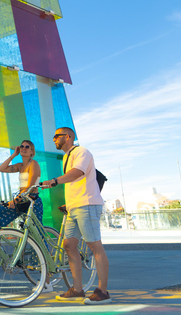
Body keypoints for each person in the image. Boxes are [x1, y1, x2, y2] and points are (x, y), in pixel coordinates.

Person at [40, 127, 111, 305]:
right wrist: (68, 203)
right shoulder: (66, 156)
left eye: (57, 136)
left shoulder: (81, 152)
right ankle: (77, 289)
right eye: (54, 136)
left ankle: (102, 292)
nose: (54, 139)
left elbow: (77, 173)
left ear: (68, 137)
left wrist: (55, 180)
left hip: (87, 204)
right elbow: (76, 182)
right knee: (69, 244)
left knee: (95, 246)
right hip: (74, 207)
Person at [0, 140, 43, 232]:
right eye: (22, 146)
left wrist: (15, 201)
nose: (23, 148)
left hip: (32, 199)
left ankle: (42, 246)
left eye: (27, 147)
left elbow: (29, 187)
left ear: (32, 151)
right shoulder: (20, 166)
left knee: (35, 232)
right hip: (21, 199)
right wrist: (14, 155)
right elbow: (1, 168)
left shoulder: (34, 164)